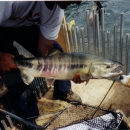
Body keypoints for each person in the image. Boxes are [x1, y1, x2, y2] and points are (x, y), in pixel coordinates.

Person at [0, 1, 82, 120]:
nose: (77, 2)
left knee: (56, 54)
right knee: (12, 74)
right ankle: (29, 117)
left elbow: (43, 50)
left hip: (23, 26)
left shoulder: (57, 11)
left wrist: (66, 72)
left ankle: (62, 91)